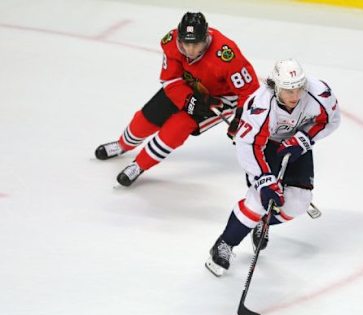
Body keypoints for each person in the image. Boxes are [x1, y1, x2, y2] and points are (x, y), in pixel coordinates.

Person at [205, 58, 341, 277]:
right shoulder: (260, 104)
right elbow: (247, 144)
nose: (295, 96)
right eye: (288, 90)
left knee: (298, 202)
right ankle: (224, 244)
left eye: (298, 88)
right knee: (259, 200)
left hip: (297, 141)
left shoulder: (319, 93)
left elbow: (331, 120)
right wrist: (264, 179)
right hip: (264, 144)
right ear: (275, 86)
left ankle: (264, 223)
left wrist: (304, 139)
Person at [95, 12, 259, 186]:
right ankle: (122, 145)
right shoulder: (171, 42)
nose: (190, 50)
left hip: (218, 99)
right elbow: (171, 79)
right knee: (149, 115)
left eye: (196, 44)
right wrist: (188, 100)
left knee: (178, 127)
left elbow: (250, 91)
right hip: (186, 86)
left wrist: (241, 119)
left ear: (206, 38)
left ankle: (139, 165)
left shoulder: (226, 55)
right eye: (186, 44)